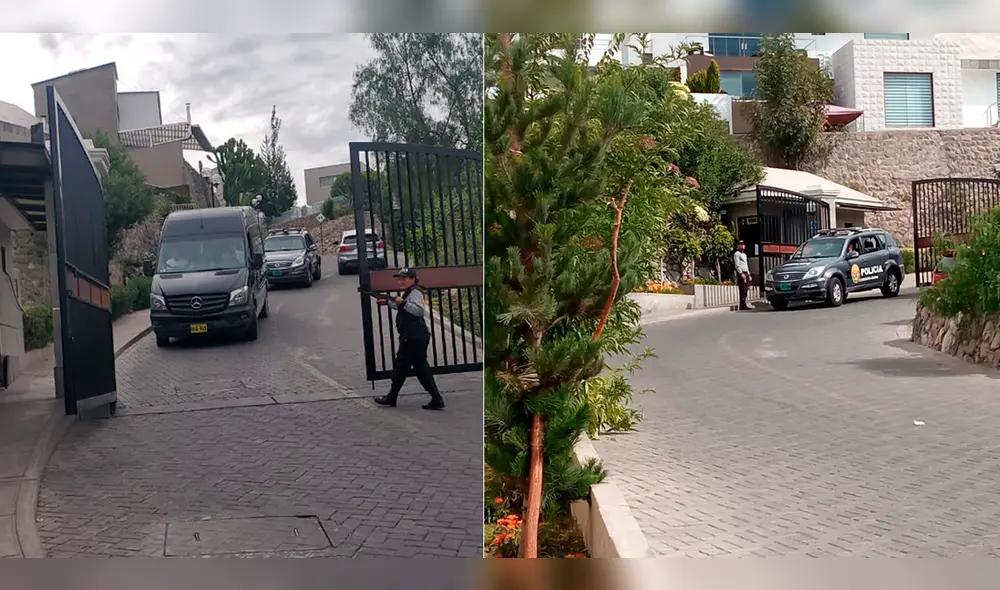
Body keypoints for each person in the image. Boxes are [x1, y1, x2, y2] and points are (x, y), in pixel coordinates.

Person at [373, 268, 446, 410]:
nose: (401, 281)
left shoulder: (416, 292)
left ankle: (435, 398)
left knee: (413, 367)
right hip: (412, 337)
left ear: (413, 279)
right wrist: (388, 302)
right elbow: (404, 307)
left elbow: (419, 311)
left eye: (404, 278)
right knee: (407, 367)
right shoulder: (410, 292)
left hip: (414, 337)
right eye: (399, 279)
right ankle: (394, 397)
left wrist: (403, 303)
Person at [733, 240, 753, 310]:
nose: (742, 246)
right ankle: (742, 305)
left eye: (743, 244)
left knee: (746, 289)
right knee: (742, 289)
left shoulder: (744, 255)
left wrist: (749, 274)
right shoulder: (737, 254)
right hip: (742, 273)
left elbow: (746, 265)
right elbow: (737, 265)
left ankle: (744, 303)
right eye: (741, 244)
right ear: (738, 245)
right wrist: (741, 273)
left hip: (746, 272)